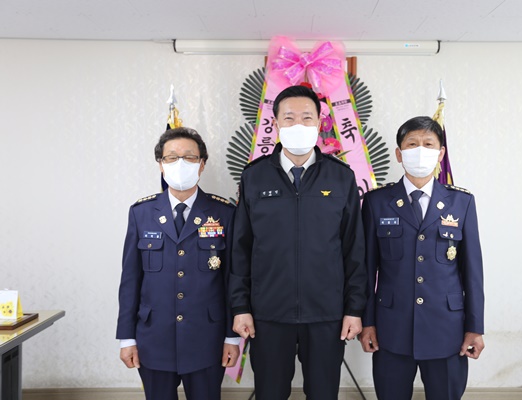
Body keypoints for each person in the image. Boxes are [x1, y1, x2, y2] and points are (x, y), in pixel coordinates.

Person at [229, 85, 367, 400]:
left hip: (326, 314)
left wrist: (354, 309)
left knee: (323, 393)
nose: (298, 125)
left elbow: (354, 250)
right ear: (276, 123)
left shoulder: (340, 177)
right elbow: (241, 249)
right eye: (289, 118)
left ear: (319, 122)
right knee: (270, 393)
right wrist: (240, 307)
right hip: (268, 313)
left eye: (307, 117)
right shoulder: (254, 177)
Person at [359, 116, 484, 400]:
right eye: (412, 144)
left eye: (428, 144)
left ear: (440, 154)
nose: (420, 151)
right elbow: (366, 270)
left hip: (447, 330)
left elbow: (473, 272)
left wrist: (474, 328)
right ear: (399, 153)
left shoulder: (461, 202)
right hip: (392, 328)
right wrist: (368, 322)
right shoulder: (377, 202)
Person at [116, 127, 239, 400]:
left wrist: (231, 337)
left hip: (207, 338)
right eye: (171, 157)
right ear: (160, 164)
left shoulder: (224, 213)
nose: (180, 163)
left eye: (189, 157)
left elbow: (232, 280)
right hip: (153, 338)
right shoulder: (141, 213)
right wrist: (127, 338)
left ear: (202, 164)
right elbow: (130, 280)